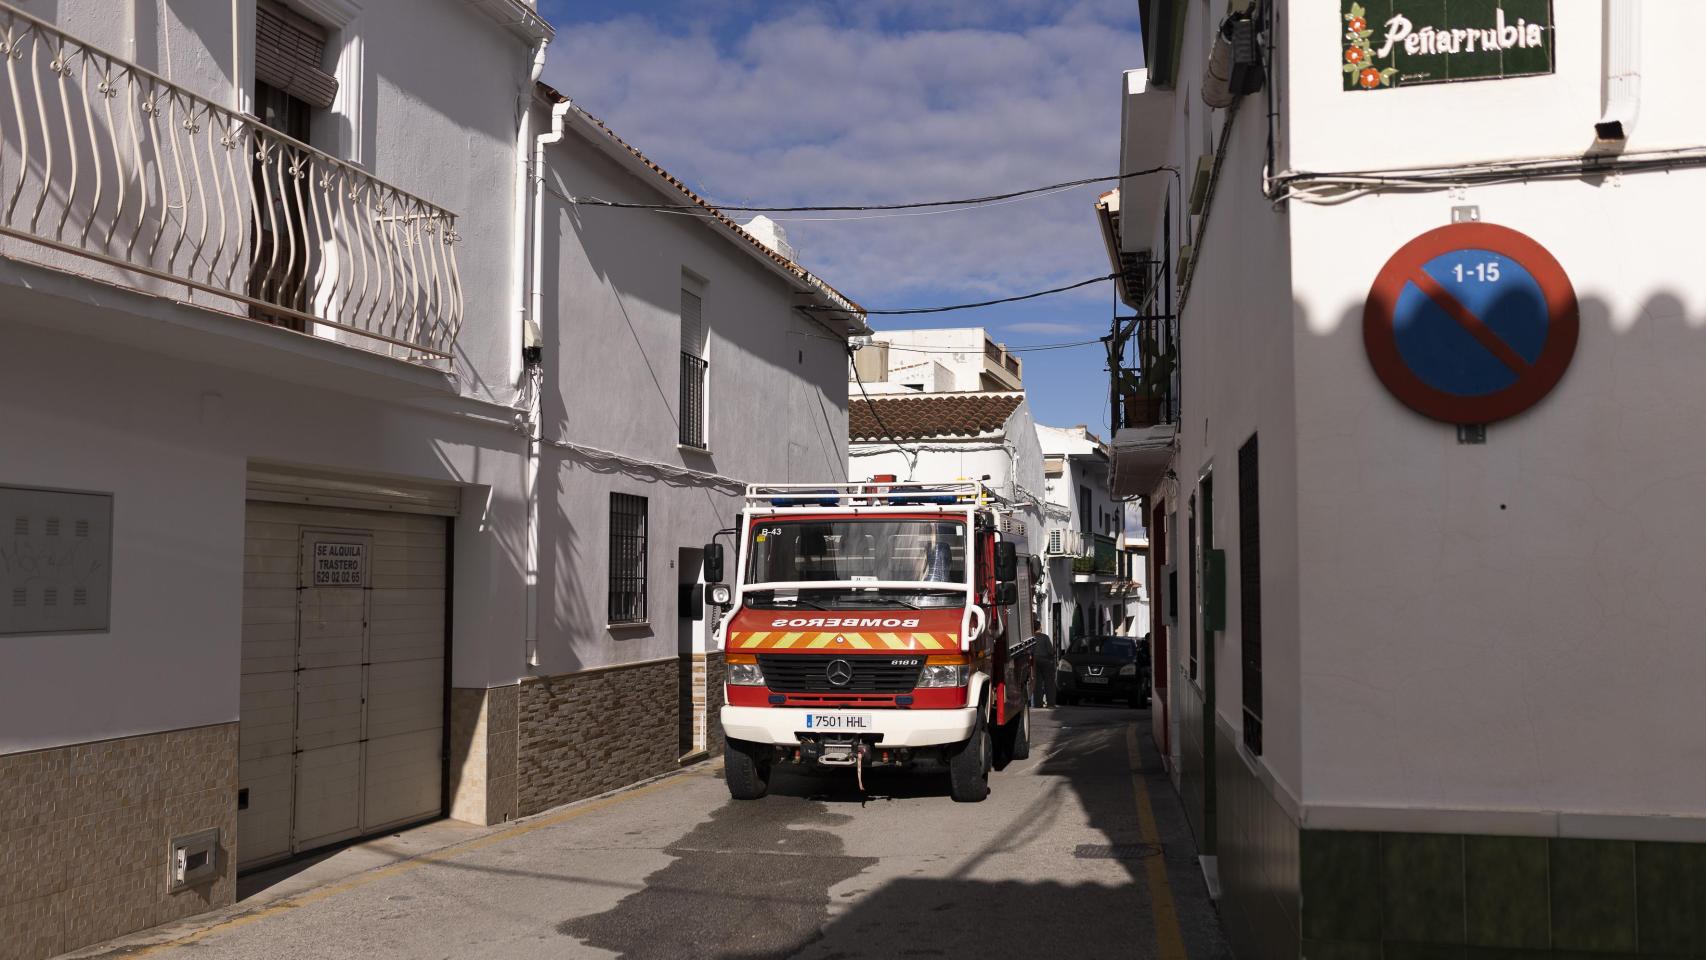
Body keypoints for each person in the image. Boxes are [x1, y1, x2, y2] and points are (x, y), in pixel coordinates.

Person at [1031, 629, 1058, 708]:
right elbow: (1050, 650)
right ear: (1040, 628)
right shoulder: (1045, 637)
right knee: (1049, 682)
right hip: (1046, 661)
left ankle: (1038, 703)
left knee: (1037, 683)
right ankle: (1050, 703)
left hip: (1035, 661)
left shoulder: (1032, 638)